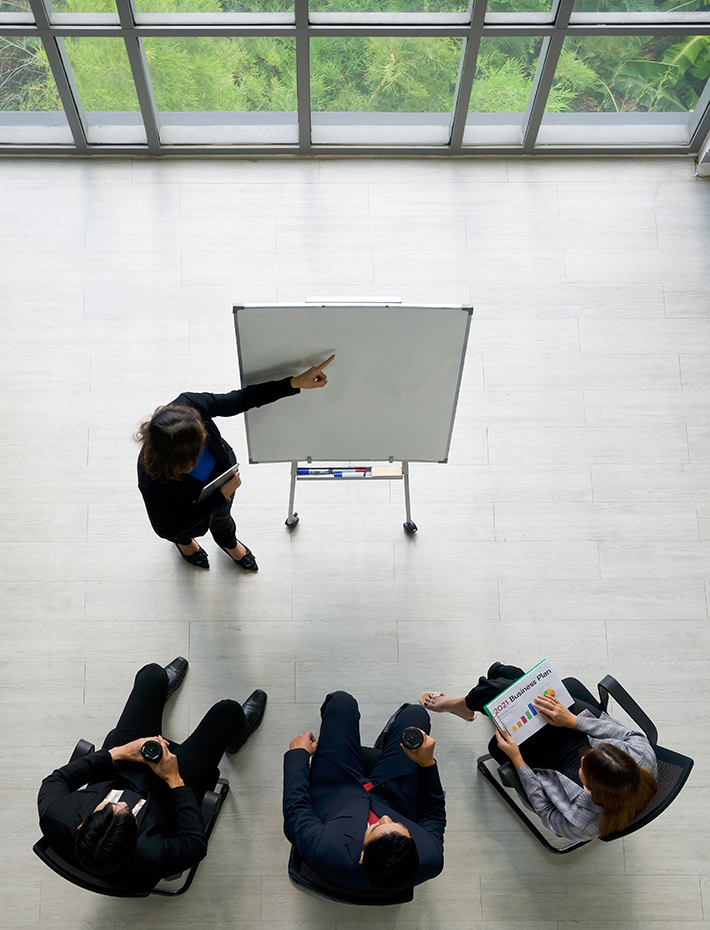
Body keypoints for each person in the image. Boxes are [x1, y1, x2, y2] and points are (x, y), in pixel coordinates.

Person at [37, 658, 267, 892]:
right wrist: (174, 780)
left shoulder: (54, 815)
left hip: (119, 766)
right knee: (227, 710)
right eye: (127, 813)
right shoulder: (151, 855)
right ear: (133, 841)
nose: (123, 803)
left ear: (82, 824)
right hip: (167, 794)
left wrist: (118, 752)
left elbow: (58, 780)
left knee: (153, 675)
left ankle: (159, 695)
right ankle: (238, 734)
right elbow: (196, 845)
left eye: (108, 806)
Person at [135, 356, 335, 571]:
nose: (206, 432)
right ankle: (185, 544)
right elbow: (167, 527)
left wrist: (293, 383)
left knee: (223, 520)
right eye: (201, 440)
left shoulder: (189, 408)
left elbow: (240, 399)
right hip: (188, 507)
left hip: (223, 481)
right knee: (182, 532)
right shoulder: (151, 478)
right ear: (185, 461)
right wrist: (219, 497)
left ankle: (228, 543)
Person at [421, 662, 658, 841]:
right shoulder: (643, 758)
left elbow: (544, 810)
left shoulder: (580, 823)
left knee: (502, 683)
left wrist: (517, 760)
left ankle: (464, 703)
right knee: (507, 681)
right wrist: (573, 721)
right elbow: (628, 735)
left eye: (584, 765)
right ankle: (476, 699)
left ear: (588, 789)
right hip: (578, 730)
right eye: (599, 751)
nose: (584, 756)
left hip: (549, 765)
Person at [283, 691, 445, 893]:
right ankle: (385, 746)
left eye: (376, 827)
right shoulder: (430, 855)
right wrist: (427, 764)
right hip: (395, 792)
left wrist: (297, 755)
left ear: (362, 855)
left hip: (335, 785)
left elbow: (295, 809)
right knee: (415, 714)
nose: (386, 818)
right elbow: (434, 814)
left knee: (341, 702)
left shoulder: (325, 849)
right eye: (398, 824)